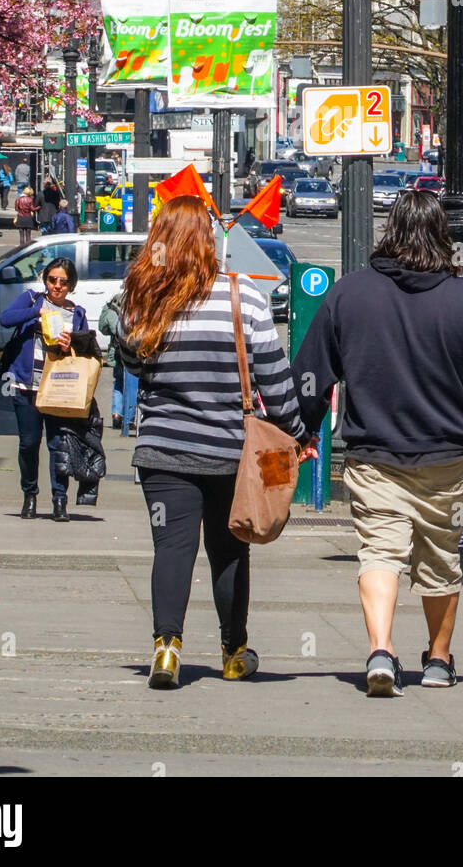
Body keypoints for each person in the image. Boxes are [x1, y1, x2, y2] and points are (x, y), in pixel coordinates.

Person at [293, 190, 463, 698]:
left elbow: (313, 371)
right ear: (442, 234)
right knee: (441, 558)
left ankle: (382, 649)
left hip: (373, 455)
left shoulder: (350, 294)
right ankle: (439, 659)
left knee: (379, 553)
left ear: (391, 231)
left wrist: (303, 429)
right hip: (444, 458)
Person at [118, 196, 313, 691]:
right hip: (229, 453)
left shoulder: (145, 296)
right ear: (210, 241)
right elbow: (274, 377)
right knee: (229, 551)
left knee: (172, 549)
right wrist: (296, 432)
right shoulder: (243, 296)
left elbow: (135, 369)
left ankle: (166, 649)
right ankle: (232, 652)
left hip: (162, 450)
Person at [0, 257, 88, 522]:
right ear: (45, 280)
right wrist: (36, 313)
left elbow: (84, 352)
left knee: (58, 444)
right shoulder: (31, 300)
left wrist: (71, 343)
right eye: (52, 280)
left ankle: (60, 500)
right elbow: (6, 319)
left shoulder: (77, 313)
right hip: (26, 385)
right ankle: (30, 494)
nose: (57, 286)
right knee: (28, 443)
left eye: (63, 282)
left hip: (60, 389)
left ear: (71, 285)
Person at [99, 288, 138, 435]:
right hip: (130, 349)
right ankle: (129, 418)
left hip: (116, 350)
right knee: (132, 383)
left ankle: (116, 414)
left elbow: (105, 329)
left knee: (118, 382)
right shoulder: (134, 301)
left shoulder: (114, 301)